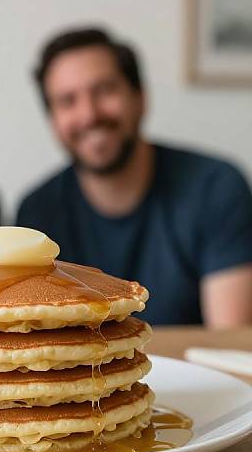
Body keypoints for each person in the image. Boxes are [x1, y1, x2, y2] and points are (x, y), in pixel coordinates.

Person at [17, 28, 252, 327]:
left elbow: (229, 340)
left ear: (139, 98)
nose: (88, 114)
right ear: (53, 120)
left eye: (104, 90)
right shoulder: (37, 212)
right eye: (67, 100)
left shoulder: (216, 187)